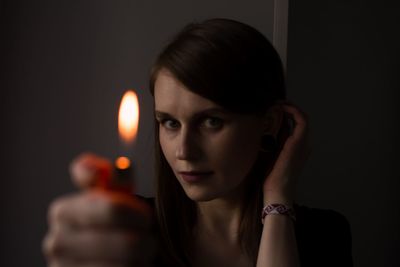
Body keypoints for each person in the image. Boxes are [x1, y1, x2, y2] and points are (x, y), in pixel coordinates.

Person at [42, 18, 353, 267]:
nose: (183, 151)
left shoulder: (324, 236)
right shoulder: (128, 233)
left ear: (268, 123)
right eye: (170, 123)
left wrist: (278, 201)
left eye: (211, 121)